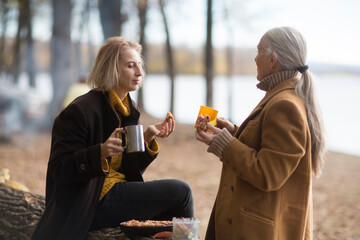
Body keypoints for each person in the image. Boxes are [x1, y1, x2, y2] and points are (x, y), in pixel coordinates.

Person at [32, 37, 194, 240]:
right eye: (130, 66)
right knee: (181, 192)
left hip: (113, 194)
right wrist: (99, 152)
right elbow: (59, 169)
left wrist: (148, 137)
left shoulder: (128, 109)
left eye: (140, 65)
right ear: (112, 69)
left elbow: (129, 169)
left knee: (166, 220)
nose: (139, 73)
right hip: (86, 205)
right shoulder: (80, 111)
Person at [195, 27, 326, 240]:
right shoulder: (279, 97)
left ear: (272, 59)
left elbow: (268, 173)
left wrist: (224, 144)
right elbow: (267, 146)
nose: (255, 59)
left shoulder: (285, 104)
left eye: (258, 52)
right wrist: (234, 132)